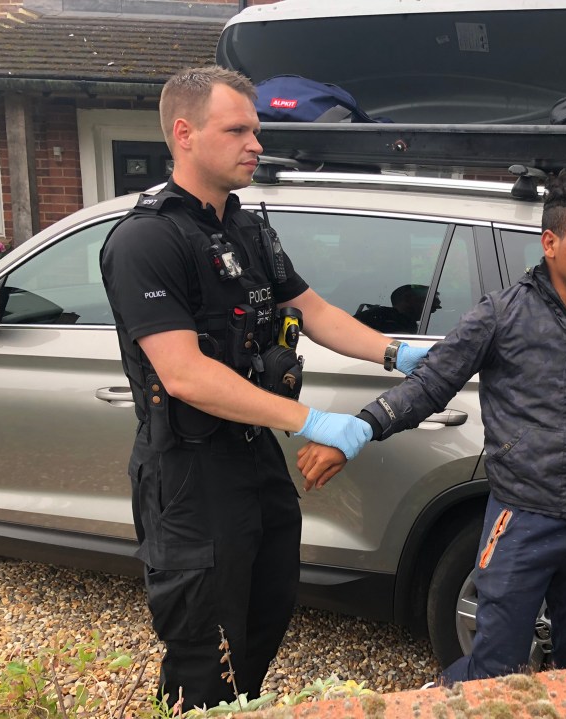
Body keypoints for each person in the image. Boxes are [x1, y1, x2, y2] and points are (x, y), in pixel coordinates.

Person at [99, 66, 427, 710]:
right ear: (185, 134)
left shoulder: (245, 230)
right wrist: (311, 420)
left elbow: (317, 311)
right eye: (239, 129)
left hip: (254, 459)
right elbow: (185, 373)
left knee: (265, 614)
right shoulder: (147, 238)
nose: (256, 143)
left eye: (257, 129)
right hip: (191, 473)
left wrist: (399, 352)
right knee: (206, 649)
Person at [297, 170, 566, 683]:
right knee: (495, 667)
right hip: (523, 520)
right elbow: (430, 384)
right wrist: (359, 430)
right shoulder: (502, 316)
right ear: (551, 243)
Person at [354, 283, 442, 334]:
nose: (435, 310)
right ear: (409, 299)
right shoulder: (379, 319)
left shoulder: (408, 322)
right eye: (431, 305)